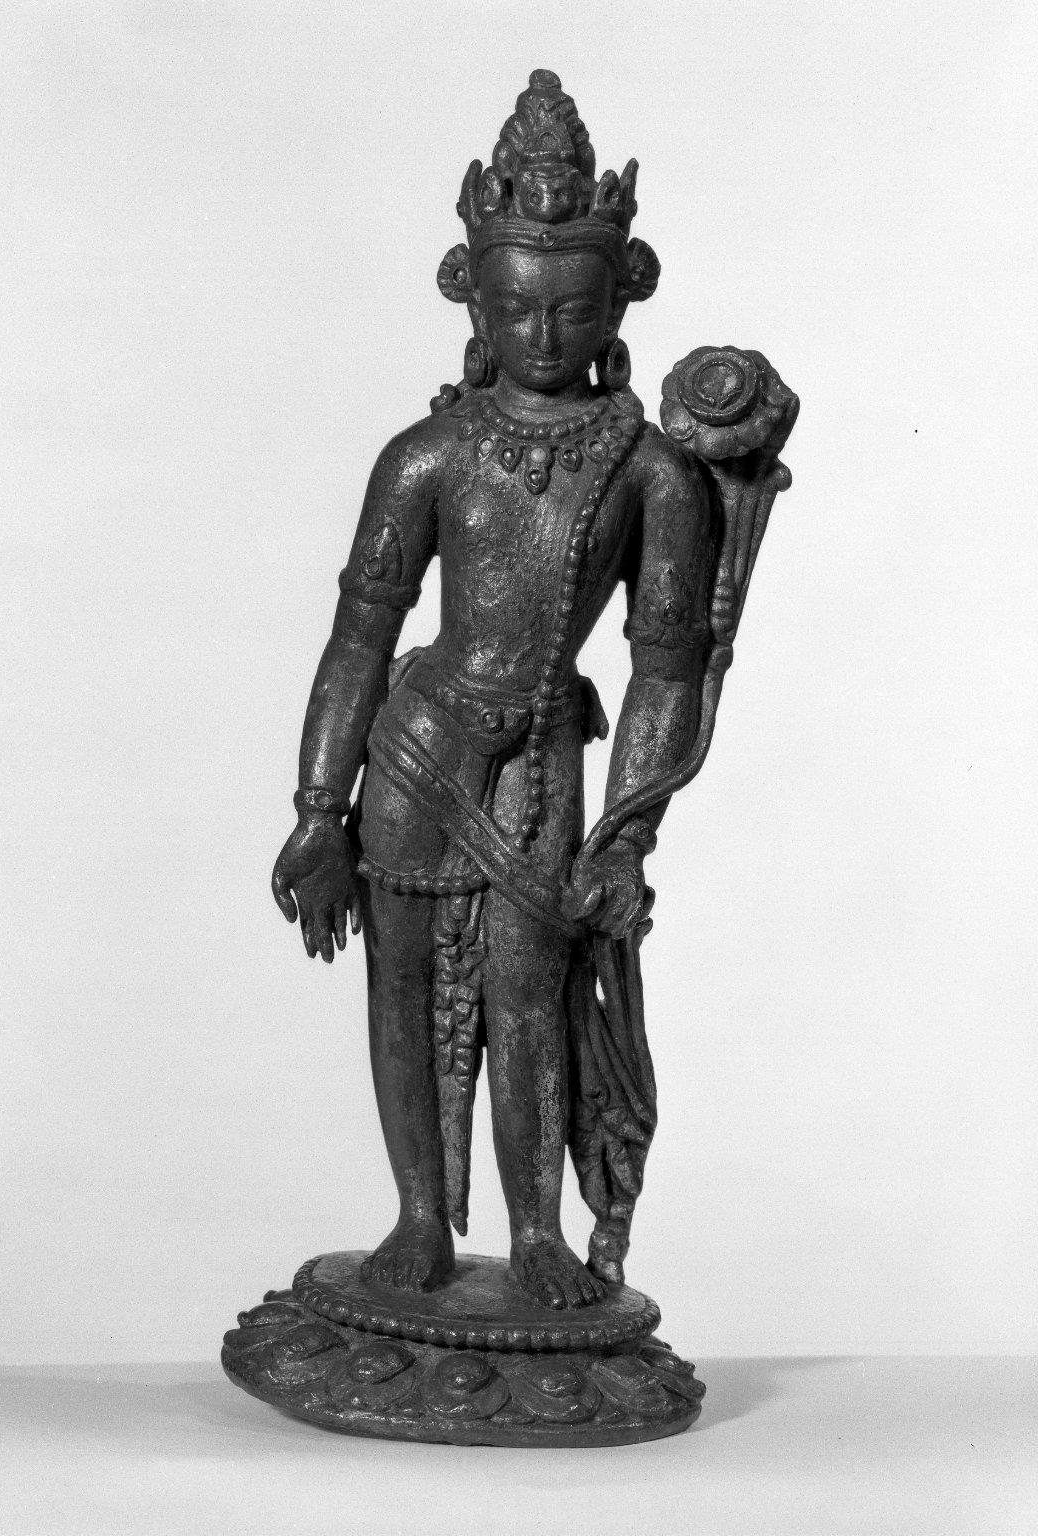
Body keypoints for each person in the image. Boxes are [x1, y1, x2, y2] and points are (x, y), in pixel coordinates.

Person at [271, 71, 710, 1310]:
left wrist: (626, 834)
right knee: (402, 985)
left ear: (620, 295)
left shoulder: (651, 472)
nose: (543, 335)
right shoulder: (427, 456)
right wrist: (318, 809)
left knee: (528, 991)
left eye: (571, 309)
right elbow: (359, 638)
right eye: (517, 307)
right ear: (472, 294)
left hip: (539, 762)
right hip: (416, 752)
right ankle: (418, 1216)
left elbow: (667, 668)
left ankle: (534, 1233)